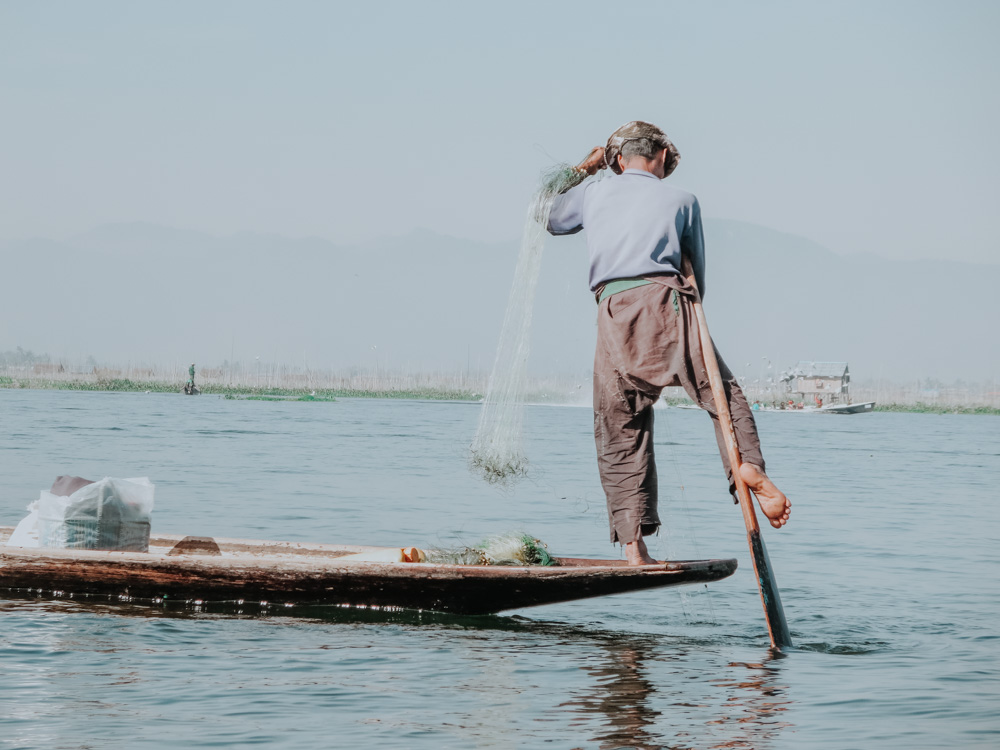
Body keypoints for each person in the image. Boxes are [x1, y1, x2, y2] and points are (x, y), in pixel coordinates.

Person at [546, 121, 791, 566]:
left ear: (618, 161)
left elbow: (547, 215)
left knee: (619, 423)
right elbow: (697, 267)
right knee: (725, 398)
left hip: (614, 309)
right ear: (659, 157)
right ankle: (748, 467)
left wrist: (583, 169)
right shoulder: (683, 200)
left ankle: (633, 544)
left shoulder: (594, 192)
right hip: (669, 303)